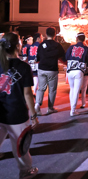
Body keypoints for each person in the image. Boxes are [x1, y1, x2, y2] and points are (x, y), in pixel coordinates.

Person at [0, 32, 39, 179]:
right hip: (17, 114)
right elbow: (28, 94)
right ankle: (26, 171)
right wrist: (34, 115)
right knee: (20, 147)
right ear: (18, 46)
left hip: (1, 112)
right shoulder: (23, 67)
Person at [35, 27, 66, 116]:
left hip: (42, 69)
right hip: (52, 69)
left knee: (41, 88)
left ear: (46, 34)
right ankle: (50, 108)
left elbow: (37, 58)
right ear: (55, 34)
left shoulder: (41, 45)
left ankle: (37, 104)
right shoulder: (57, 45)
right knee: (52, 90)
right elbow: (62, 57)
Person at [65, 32, 88, 116]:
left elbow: (66, 57)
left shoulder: (71, 47)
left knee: (72, 89)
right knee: (76, 90)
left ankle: (72, 108)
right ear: (84, 39)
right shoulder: (86, 48)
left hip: (70, 70)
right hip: (79, 71)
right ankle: (72, 110)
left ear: (77, 39)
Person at [28, 33, 43, 97]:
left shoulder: (31, 46)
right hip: (37, 63)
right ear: (38, 38)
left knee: (34, 77)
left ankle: (33, 90)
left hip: (31, 63)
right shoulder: (40, 45)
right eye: (41, 37)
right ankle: (35, 91)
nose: (42, 38)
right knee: (37, 77)